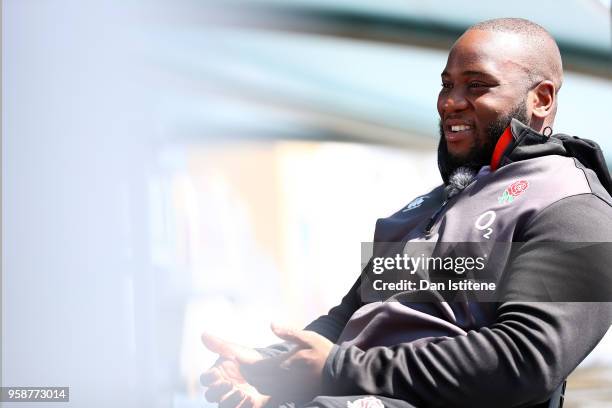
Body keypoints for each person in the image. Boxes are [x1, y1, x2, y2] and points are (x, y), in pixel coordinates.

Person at [199, 18, 612, 408]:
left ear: (541, 99)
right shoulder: (431, 206)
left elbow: (525, 361)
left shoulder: (575, 205)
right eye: (447, 85)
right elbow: (351, 317)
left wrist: (337, 369)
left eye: (477, 85)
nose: (451, 102)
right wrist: (267, 365)